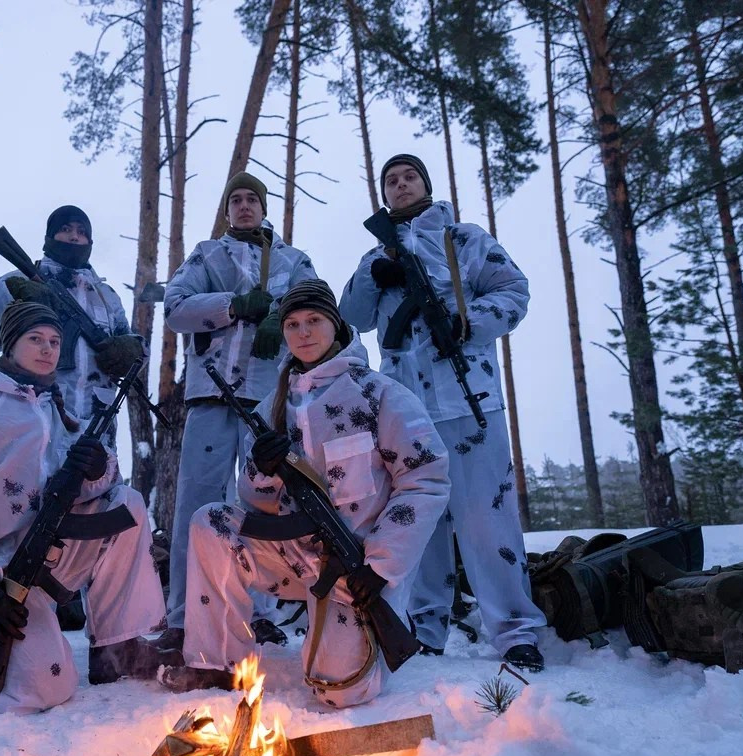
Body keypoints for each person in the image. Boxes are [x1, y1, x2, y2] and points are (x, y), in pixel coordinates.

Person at [158, 280, 450, 708]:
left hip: (357, 569)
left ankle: (371, 627)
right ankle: (217, 661)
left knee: (341, 689)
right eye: (292, 324)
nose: (304, 332)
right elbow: (255, 507)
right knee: (211, 521)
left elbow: (426, 478)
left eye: (314, 321)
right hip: (290, 556)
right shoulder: (271, 406)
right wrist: (264, 470)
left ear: (338, 327)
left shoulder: (379, 393)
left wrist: (381, 566)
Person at [0, 301, 171, 714]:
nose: (47, 349)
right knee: (43, 689)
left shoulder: (55, 408)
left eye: (54, 341)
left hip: (44, 559)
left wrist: (98, 469)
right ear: (10, 344)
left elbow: (76, 490)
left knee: (125, 504)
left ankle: (117, 647)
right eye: (35, 339)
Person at [339, 153, 547, 672]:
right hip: (403, 408)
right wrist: (375, 275)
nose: (401, 184)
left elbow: (515, 292)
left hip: (466, 398)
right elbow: (350, 319)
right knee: (418, 519)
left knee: (486, 518)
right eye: (392, 179)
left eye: (410, 176)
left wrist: (466, 322)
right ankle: (425, 626)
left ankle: (515, 629)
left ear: (426, 185)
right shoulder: (374, 255)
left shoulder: (465, 239)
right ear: (383, 194)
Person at [159, 172, 319, 651]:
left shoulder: (293, 260)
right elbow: (175, 306)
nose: (245, 206)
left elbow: (318, 306)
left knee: (264, 504)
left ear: (264, 206)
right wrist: (235, 305)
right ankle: (183, 616)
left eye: (252, 198)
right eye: (236, 200)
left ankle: (262, 612)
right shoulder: (208, 255)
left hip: (270, 400)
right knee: (197, 503)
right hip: (211, 394)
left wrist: (278, 315)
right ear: (227, 209)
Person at [0, 205, 146, 447]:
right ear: (50, 237)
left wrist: (133, 350)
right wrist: (10, 293)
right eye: (66, 229)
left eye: (81, 231)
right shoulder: (20, 280)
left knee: (99, 484)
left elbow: (131, 344)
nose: (74, 236)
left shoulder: (107, 297)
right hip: (30, 421)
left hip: (97, 428)